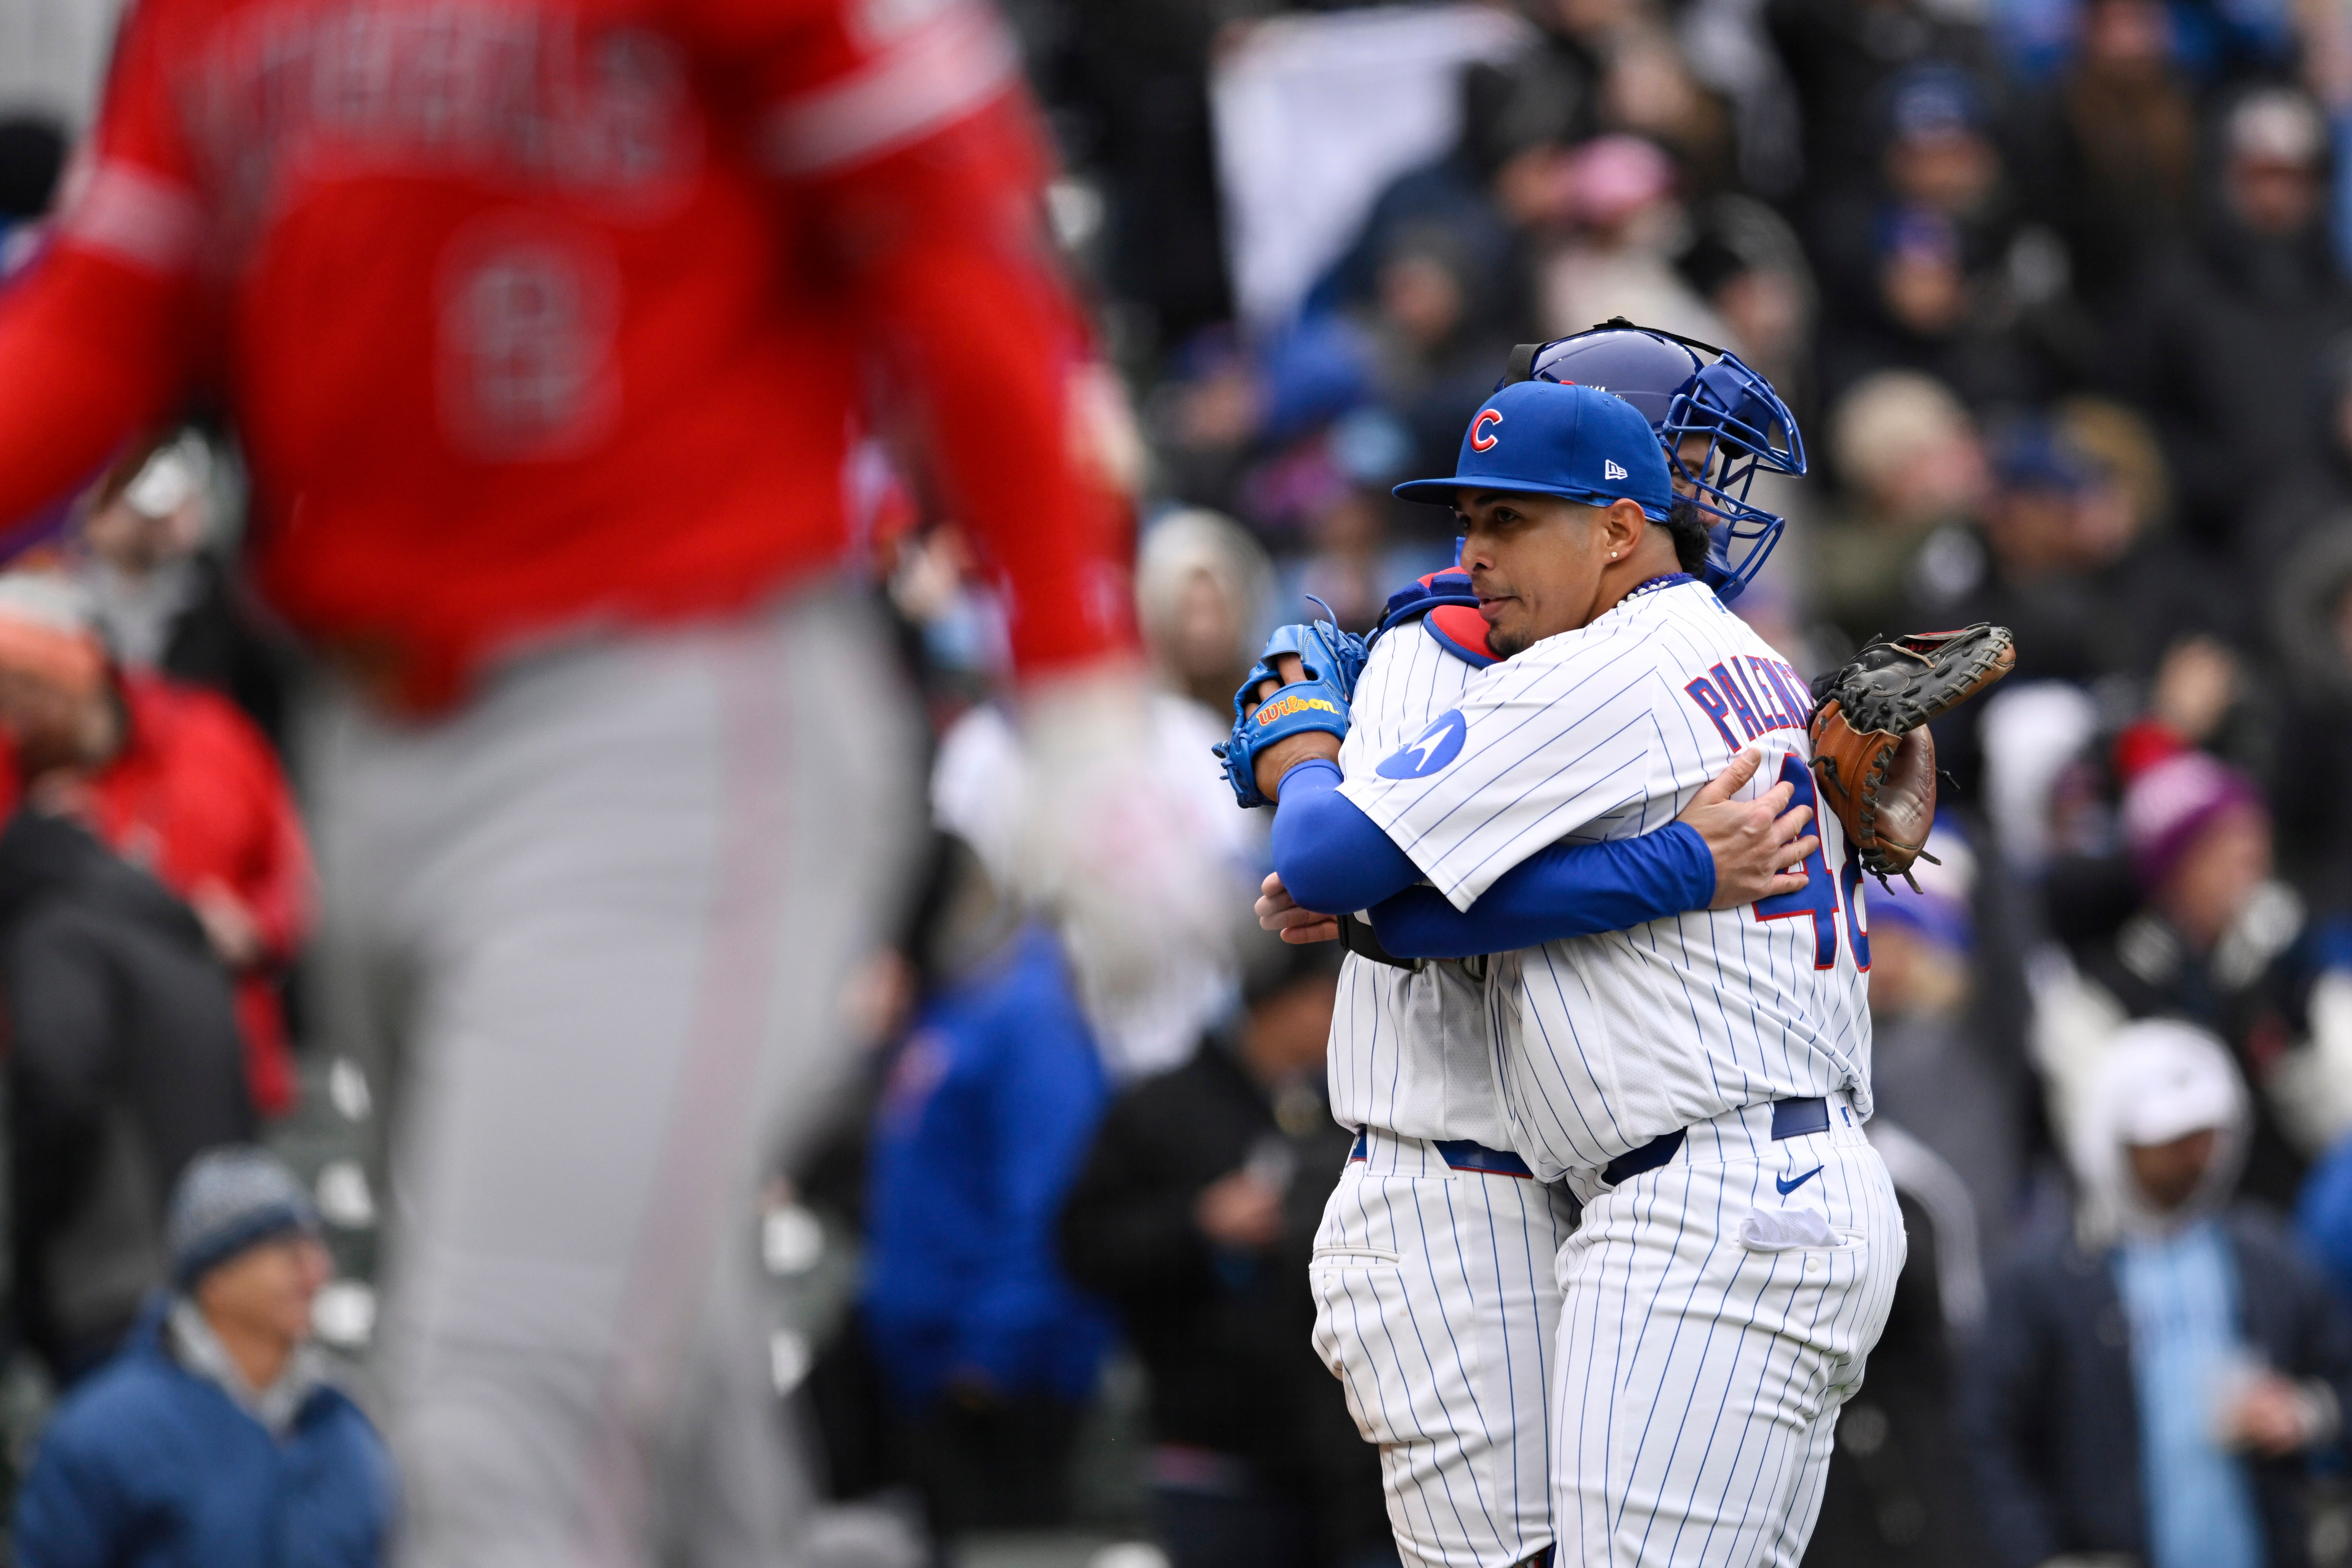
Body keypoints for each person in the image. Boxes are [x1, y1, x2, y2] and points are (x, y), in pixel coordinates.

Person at [0, 0, 1219, 1559]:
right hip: (372, 738)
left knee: (500, 1422)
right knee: (668, 1422)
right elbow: (111, 308)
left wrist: (1073, 678)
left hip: (676, 708)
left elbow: (949, 236)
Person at [1244, 376, 1900, 1564]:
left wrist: (1301, 746)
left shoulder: (1602, 659)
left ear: (1613, 528)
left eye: (1511, 519)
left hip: (1709, 1203)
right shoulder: (1750, 655)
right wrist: (1670, 868)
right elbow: (1382, 905)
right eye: (1468, 521)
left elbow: (1323, 853)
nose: (1475, 552)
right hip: (1750, 1185)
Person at [1964, 1020, 2352, 1568]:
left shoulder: (2269, 1258)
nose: (2196, 1158)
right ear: (2114, 1141)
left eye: (2207, 1136)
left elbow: (2339, 1373)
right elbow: (1989, 1436)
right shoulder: (2044, 1280)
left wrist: (2308, 1412)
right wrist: (2043, 1554)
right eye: (2171, 1142)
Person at [1059, 933, 1386, 1568]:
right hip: (1207, 1447)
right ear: (1279, 1002)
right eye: (1328, 1001)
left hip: (1331, 1455)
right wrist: (1198, 1223)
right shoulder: (1159, 1108)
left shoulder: (1341, 1112)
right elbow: (1080, 1244)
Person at [858, 836, 1113, 1538]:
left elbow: (1048, 1195)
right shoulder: (952, 997)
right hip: (928, 1368)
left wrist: (990, 1358)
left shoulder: (1029, 1012)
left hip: (995, 1380)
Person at [0, 572, 311, 1116]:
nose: (13, 714)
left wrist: (257, 926)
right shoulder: (12, 774)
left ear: (76, 673)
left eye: (23, 687)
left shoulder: (206, 736)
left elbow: (286, 865)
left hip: (217, 1060)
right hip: (58, 1085)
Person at [14, 1146, 395, 1568]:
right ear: (216, 1277)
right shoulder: (102, 1435)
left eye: (317, 1251)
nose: (316, 1273)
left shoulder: (342, 1429)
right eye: (289, 1254)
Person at [0, 802, 254, 1382]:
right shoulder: (175, 937)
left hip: (117, 1292)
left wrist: (32, 1235)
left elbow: (59, 1083)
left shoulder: (54, 932)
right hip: (221, 1281)